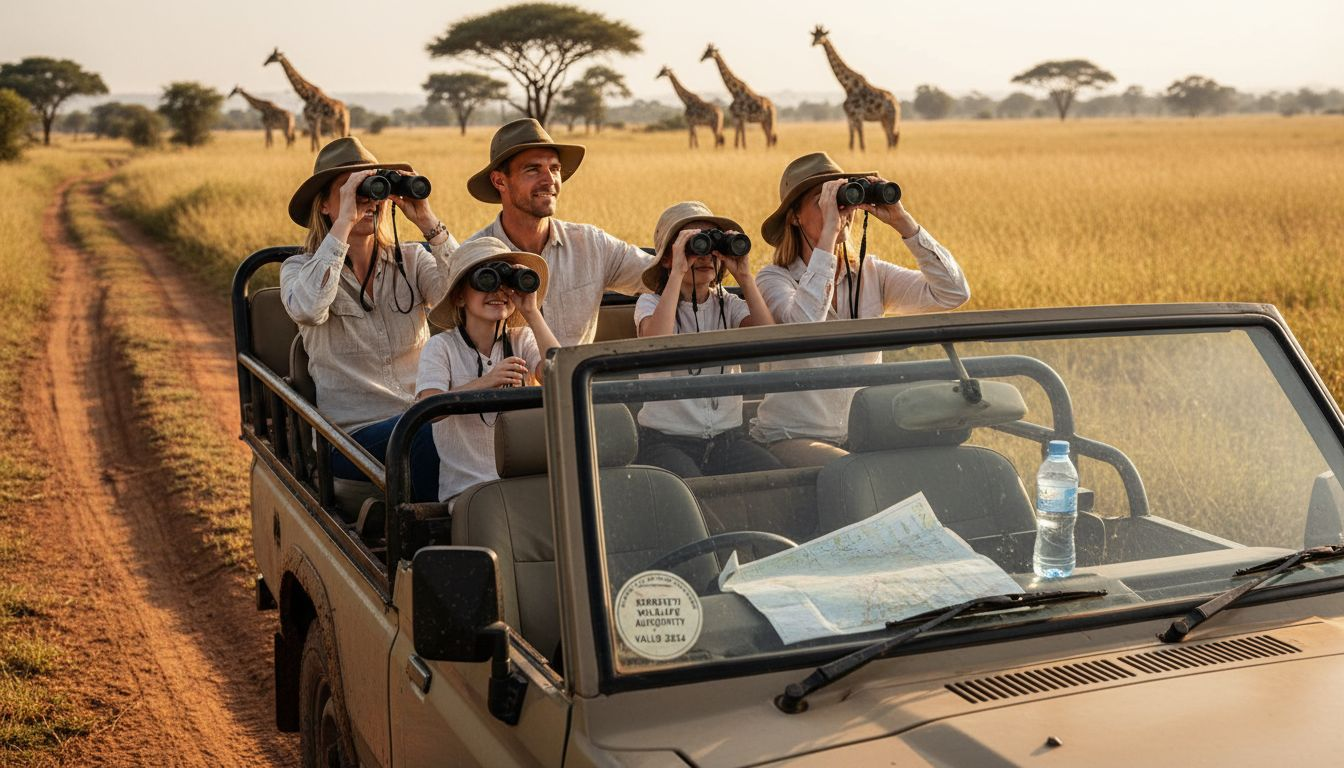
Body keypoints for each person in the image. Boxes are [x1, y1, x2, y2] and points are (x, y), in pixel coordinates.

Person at [751, 152, 971, 468]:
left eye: (843, 197)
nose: (839, 210)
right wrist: (829, 234)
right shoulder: (774, 278)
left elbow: (953, 293)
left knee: (933, 468)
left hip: (864, 435)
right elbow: (805, 325)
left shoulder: (871, 273)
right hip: (793, 436)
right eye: (821, 200)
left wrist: (902, 220)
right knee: (857, 473)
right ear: (794, 217)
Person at [280, 136, 457, 502]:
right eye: (351, 191)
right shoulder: (298, 270)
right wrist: (344, 223)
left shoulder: (412, 261)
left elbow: (466, 303)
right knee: (430, 434)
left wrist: (425, 219)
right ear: (326, 205)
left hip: (421, 417)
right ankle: (428, 540)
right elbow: (310, 308)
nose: (368, 201)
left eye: (373, 189)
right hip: (350, 438)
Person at [466, 118, 656, 346]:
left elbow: (659, 275)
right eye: (533, 170)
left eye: (555, 169)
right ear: (499, 181)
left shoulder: (592, 244)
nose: (550, 180)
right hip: (511, 382)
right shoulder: (475, 257)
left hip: (578, 381)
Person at [632, 202, 782, 478]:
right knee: (692, 490)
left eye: (713, 245)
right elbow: (656, 346)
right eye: (694, 245)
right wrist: (677, 271)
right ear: (667, 258)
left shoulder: (729, 304)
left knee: (775, 479)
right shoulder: (650, 303)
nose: (704, 256)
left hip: (727, 440)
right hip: (666, 441)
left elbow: (769, 341)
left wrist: (744, 275)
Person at [415, 237, 560, 502]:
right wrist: (486, 382)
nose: (498, 292)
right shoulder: (441, 347)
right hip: (468, 491)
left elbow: (560, 377)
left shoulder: (522, 339)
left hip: (524, 483)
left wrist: (531, 311)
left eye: (506, 282)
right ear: (459, 296)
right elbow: (428, 408)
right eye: (485, 280)